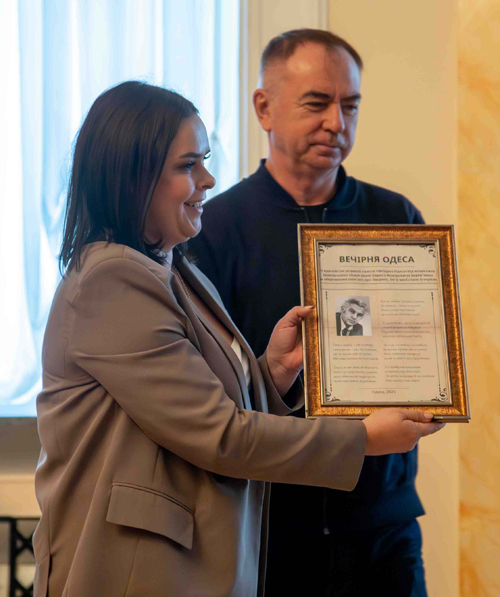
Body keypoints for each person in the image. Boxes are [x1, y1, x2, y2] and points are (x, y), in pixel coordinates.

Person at [33, 81, 442, 597]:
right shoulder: (111, 279)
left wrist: (273, 372)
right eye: (188, 166)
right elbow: (219, 435)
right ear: (133, 178)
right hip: (137, 574)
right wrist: (363, 439)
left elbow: (198, 405)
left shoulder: (172, 267)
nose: (207, 179)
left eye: (204, 160)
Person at [189, 29, 429, 596]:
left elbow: (421, 351)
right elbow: (209, 395)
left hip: (382, 526)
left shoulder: (396, 218)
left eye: (351, 106)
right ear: (264, 108)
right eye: (317, 103)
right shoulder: (212, 230)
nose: (336, 123)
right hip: (268, 528)